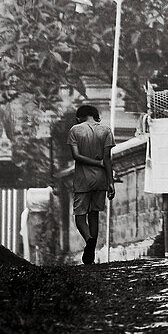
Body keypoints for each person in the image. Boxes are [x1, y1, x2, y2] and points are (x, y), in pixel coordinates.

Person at [67, 103, 115, 264]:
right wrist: (111, 182)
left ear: (80, 117)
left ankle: (89, 240)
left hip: (82, 179)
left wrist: (96, 163)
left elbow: (76, 156)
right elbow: (107, 159)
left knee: (80, 216)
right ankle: (92, 249)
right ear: (94, 115)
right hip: (101, 179)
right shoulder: (106, 130)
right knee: (94, 214)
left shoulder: (75, 130)